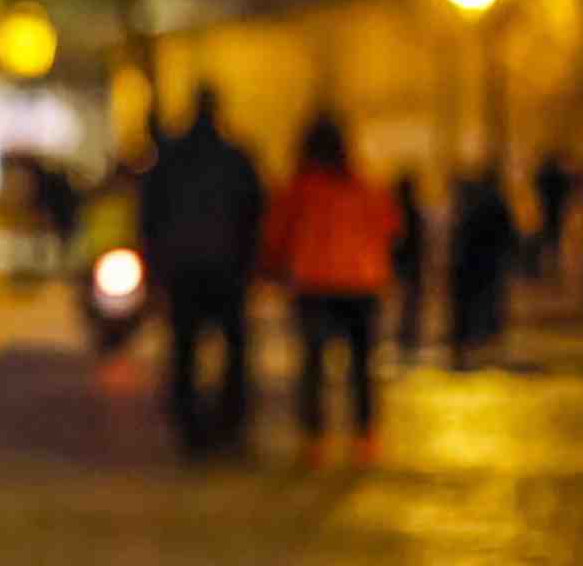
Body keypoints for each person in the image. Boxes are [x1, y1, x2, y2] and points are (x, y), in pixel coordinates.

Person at [261, 115, 399, 467]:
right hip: (362, 284)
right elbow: (391, 225)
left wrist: (273, 269)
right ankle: (365, 438)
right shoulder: (364, 184)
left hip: (315, 283)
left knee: (313, 365)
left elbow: (276, 234)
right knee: (362, 366)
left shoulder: (299, 188)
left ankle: (314, 440)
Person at [138, 85, 263, 460]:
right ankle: (230, 422)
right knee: (234, 349)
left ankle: (190, 425)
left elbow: (151, 215)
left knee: (185, 349)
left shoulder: (172, 159)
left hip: (184, 270)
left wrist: (158, 264)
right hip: (226, 268)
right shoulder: (236, 158)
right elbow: (254, 212)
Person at [448, 160, 519, 371]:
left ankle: (467, 345)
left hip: (470, 264)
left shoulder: (470, 205)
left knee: (469, 307)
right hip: (488, 264)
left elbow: (462, 237)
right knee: (487, 304)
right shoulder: (495, 203)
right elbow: (507, 233)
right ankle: (482, 341)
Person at [391, 173, 426, 361]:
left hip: (402, 264)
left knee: (405, 303)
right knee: (410, 303)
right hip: (411, 264)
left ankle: (405, 335)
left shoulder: (397, 210)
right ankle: (407, 335)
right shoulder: (412, 210)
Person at [532, 152, 574, 280]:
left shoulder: (545, 174)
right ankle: (552, 263)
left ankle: (548, 263)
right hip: (555, 209)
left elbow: (537, 184)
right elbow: (567, 188)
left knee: (548, 236)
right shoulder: (557, 174)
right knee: (553, 237)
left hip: (547, 208)